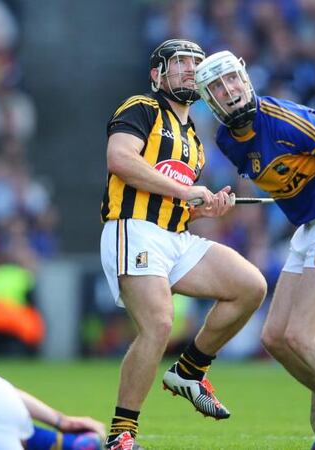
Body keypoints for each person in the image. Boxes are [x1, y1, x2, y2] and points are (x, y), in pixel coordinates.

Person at [194, 50, 315, 450]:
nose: (228, 90)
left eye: (232, 79)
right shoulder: (225, 141)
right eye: (216, 86)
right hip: (311, 226)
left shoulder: (287, 119)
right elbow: (278, 180)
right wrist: (226, 203)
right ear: (207, 99)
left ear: (246, 79)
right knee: (275, 338)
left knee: (303, 334)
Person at [99, 39, 267, 450]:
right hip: (134, 228)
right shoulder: (141, 107)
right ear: (158, 75)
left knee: (250, 286)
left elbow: (178, 201)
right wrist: (185, 188)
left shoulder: (193, 135)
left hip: (176, 237)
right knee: (158, 324)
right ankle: (122, 435)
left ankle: (189, 371)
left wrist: (206, 209)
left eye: (196, 62)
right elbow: (121, 160)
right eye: (181, 63)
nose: (192, 69)